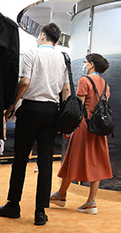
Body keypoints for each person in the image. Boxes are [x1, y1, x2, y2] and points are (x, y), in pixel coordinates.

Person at [0, 23, 70, 226]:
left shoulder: (31, 53)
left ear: (43, 36)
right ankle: (40, 212)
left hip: (29, 108)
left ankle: (13, 205)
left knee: (20, 158)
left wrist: (12, 104)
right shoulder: (63, 58)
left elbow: (25, 82)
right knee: (45, 162)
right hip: (52, 111)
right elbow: (66, 89)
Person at [49, 53, 113, 215]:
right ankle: (90, 202)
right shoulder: (105, 84)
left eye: (86, 62)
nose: (84, 64)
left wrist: (69, 128)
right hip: (98, 128)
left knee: (73, 159)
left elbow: (77, 108)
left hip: (84, 126)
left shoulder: (85, 80)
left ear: (91, 65)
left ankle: (61, 194)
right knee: (97, 163)